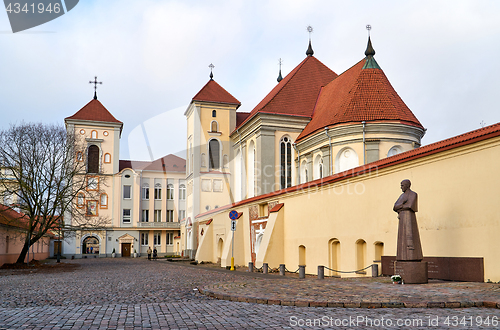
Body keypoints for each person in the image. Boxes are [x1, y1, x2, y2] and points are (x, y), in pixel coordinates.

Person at [393, 179, 423, 261]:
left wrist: (401, 206)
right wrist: (403, 205)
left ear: (407, 185)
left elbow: (410, 205)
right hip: (402, 217)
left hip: (409, 217)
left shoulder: (413, 194)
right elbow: (394, 207)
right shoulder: (401, 196)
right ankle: (402, 257)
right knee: (402, 236)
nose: (401, 187)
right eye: (401, 185)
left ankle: (412, 256)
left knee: (410, 235)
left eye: (402, 185)